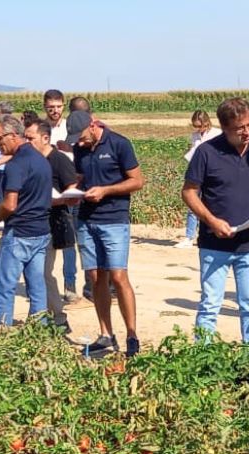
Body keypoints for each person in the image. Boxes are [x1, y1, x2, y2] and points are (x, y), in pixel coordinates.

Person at [183, 98, 249, 343]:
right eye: (240, 128)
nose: (247, 132)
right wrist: (211, 220)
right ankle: (202, 358)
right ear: (225, 128)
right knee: (210, 305)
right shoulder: (206, 152)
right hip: (214, 245)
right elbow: (189, 192)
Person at [69, 111, 147, 358]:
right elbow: (81, 178)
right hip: (86, 219)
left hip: (114, 219)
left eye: (81, 138)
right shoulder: (80, 148)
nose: (79, 144)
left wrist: (106, 190)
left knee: (118, 275)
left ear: (93, 125)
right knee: (95, 276)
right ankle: (106, 334)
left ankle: (132, 334)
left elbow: (137, 181)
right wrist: (71, 191)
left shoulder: (119, 144)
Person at [0, 115, 56, 332]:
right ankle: (38, 333)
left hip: (19, 233)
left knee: (4, 288)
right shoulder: (41, 159)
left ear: (13, 135)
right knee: (37, 287)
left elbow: (10, 205)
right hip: (41, 232)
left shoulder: (16, 164)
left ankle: (1, 333)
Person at [22, 114, 81, 330]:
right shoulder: (30, 160)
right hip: (32, 223)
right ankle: (46, 315)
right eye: (25, 138)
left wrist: (50, 200)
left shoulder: (59, 160)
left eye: (31, 138)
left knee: (42, 273)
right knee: (35, 272)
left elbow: (73, 194)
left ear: (45, 138)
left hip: (51, 223)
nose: (26, 142)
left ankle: (57, 317)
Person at [42, 90, 80, 303]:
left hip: (70, 187)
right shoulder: (42, 129)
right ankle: (46, 284)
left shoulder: (70, 128)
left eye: (58, 106)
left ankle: (70, 285)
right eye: (51, 107)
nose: (55, 110)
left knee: (68, 240)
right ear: (45, 107)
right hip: (49, 190)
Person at [179, 109, 223, 249]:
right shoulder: (195, 136)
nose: (198, 129)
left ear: (207, 123)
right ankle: (189, 237)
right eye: (195, 126)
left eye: (200, 126)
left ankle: (214, 232)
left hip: (212, 173)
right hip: (197, 173)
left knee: (212, 204)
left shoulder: (217, 134)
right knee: (193, 204)